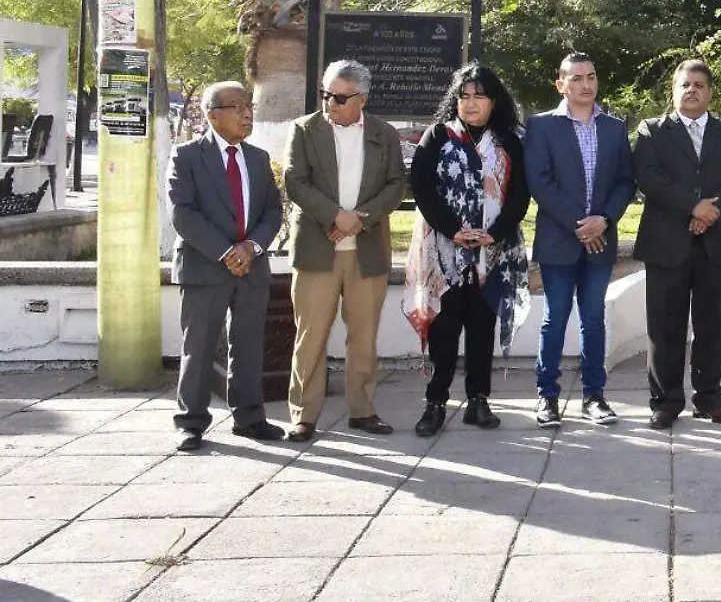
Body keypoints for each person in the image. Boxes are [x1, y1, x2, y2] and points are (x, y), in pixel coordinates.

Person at [281, 60, 409, 441]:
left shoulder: (384, 134)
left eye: (339, 97)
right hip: (318, 249)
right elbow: (295, 181)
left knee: (364, 334)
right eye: (326, 95)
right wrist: (335, 216)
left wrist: (361, 218)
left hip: (366, 250)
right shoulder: (305, 130)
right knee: (311, 334)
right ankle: (304, 414)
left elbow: (396, 184)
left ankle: (363, 410)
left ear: (361, 99)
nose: (330, 104)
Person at [406, 63, 531, 437]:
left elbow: (520, 194)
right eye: (464, 96)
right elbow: (422, 190)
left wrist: (496, 232)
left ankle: (479, 401)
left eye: (479, 96)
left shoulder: (509, 141)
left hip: (493, 253)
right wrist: (453, 230)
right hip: (444, 252)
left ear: (494, 102)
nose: (471, 103)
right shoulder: (438, 136)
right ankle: (435, 404)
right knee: (445, 329)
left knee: (482, 327)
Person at [635, 59, 721, 430]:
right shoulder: (652, 131)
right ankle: (665, 401)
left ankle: (709, 399)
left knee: (712, 325)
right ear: (674, 90)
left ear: (710, 91)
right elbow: (649, 177)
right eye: (685, 84)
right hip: (667, 241)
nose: (692, 90)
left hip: (716, 243)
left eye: (699, 85)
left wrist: (711, 213)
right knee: (665, 326)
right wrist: (693, 206)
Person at [167, 81, 285, 451]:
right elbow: (183, 214)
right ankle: (191, 422)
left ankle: (249, 417)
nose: (247, 112)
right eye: (237, 106)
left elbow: (272, 210)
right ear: (212, 114)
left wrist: (251, 247)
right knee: (198, 346)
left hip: (251, 266)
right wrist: (226, 252)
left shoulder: (258, 157)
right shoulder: (186, 156)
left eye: (248, 105)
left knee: (248, 344)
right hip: (205, 266)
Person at [524, 52, 636, 428]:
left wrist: (603, 220)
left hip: (600, 240)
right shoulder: (541, 126)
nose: (586, 85)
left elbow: (625, 181)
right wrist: (579, 224)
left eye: (591, 77)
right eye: (576, 79)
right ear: (561, 84)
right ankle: (547, 397)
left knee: (593, 319)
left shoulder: (615, 127)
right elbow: (540, 182)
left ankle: (594, 396)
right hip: (560, 238)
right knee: (555, 319)